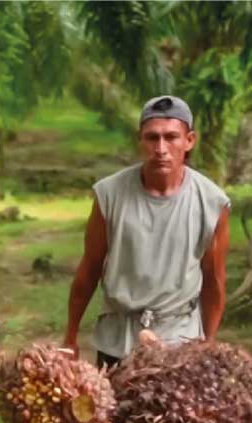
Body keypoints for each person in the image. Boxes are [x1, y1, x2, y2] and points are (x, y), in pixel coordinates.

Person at [63, 95, 230, 368]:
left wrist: (208, 344)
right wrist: (70, 336)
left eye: (171, 137)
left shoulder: (211, 202)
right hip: (118, 340)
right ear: (140, 140)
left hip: (180, 341)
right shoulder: (110, 194)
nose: (161, 148)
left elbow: (214, 280)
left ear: (189, 141)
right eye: (152, 138)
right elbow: (90, 268)